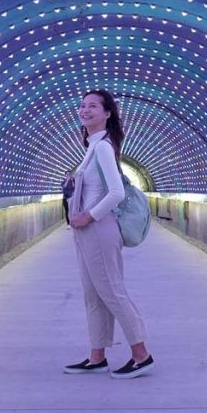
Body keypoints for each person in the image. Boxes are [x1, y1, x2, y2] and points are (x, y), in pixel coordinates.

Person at [63, 90, 154, 379]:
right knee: (94, 295)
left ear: (107, 113)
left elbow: (115, 193)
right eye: (83, 105)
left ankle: (141, 355)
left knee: (112, 292)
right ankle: (97, 356)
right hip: (87, 230)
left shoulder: (103, 147)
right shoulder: (91, 148)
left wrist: (88, 216)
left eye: (93, 106)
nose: (85, 110)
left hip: (99, 229)